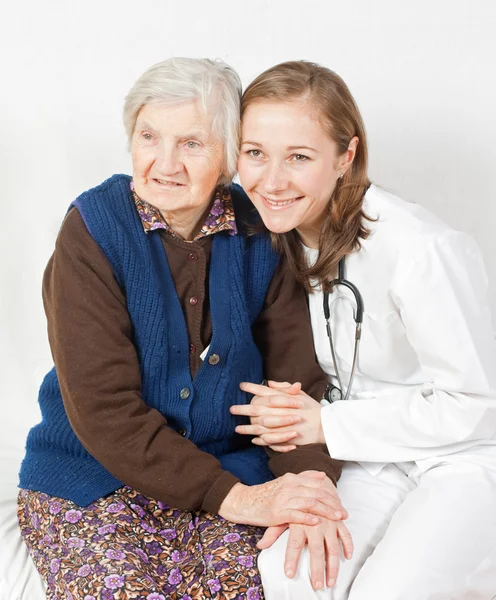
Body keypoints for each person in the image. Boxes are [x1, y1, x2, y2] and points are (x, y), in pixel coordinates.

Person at [16, 58, 351, 600]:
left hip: (232, 469)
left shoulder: (261, 230)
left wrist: (308, 487)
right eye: (149, 136)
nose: (164, 163)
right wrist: (237, 499)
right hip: (95, 480)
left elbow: (296, 387)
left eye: (192, 143)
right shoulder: (94, 230)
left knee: (254, 586)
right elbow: (104, 410)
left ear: (229, 156)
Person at [232, 60, 496, 600]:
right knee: (291, 576)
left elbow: (477, 404)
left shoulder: (422, 248)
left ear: (346, 157)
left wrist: (326, 423)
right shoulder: (274, 236)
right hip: (373, 455)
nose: (271, 180)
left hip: (467, 457)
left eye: (299, 157)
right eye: (255, 152)